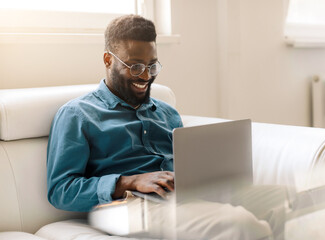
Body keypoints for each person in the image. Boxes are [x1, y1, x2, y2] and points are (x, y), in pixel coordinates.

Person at [47, 15, 283, 240]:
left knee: (284, 200)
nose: (146, 76)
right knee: (239, 222)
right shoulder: (77, 114)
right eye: (135, 66)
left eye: (152, 66)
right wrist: (129, 181)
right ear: (108, 60)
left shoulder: (166, 112)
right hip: (125, 207)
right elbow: (60, 191)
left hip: (183, 196)